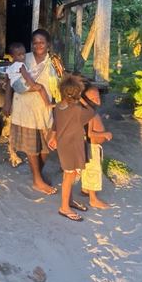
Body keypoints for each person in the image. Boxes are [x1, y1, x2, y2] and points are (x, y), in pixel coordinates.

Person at [2, 29, 62, 195]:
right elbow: (8, 79)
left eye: (42, 42)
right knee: (31, 146)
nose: (38, 45)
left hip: (45, 107)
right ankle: (37, 180)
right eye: (35, 42)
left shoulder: (55, 63)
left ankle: (38, 175)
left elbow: (61, 84)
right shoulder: (23, 57)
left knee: (45, 147)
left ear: (48, 44)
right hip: (25, 107)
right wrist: (7, 102)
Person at [47, 75, 94, 221]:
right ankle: (64, 207)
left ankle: (69, 201)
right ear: (78, 93)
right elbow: (92, 112)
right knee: (70, 175)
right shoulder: (78, 109)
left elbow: (56, 124)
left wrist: (53, 137)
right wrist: (81, 100)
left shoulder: (58, 107)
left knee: (70, 173)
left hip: (64, 144)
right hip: (72, 145)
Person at [80, 84, 112, 209]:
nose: (97, 99)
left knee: (88, 170)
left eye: (97, 96)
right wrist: (106, 134)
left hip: (90, 146)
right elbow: (90, 133)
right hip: (91, 146)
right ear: (86, 100)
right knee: (93, 171)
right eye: (92, 98)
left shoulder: (89, 111)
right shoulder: (90, 114)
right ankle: (93, 199)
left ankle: (85, 189)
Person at [5, 42, 53, 107]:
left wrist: (6, 84)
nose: (22, 57)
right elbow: (26, 76)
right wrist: (33, 85)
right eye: (19, 55)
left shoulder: (9, 67)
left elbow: (7, 78)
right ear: (12, 56)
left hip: (15, 88)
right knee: (41, 87)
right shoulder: (21, 65)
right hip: (21, 85)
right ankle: (48, 104)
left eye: (23, 54)